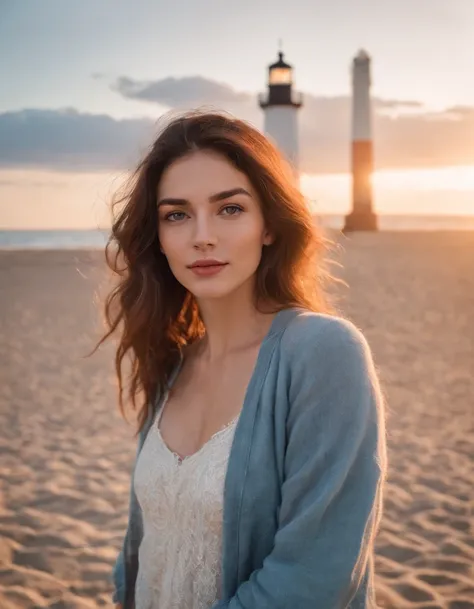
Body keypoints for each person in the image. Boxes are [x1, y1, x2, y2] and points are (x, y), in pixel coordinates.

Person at [95, 110, 387, 609]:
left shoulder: (324, 353)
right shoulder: (171, 363)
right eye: (176, 214)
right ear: (159, 238)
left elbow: (314, 576)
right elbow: (144, 547)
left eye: (229, 209)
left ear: (269, 225)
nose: (201, 236)